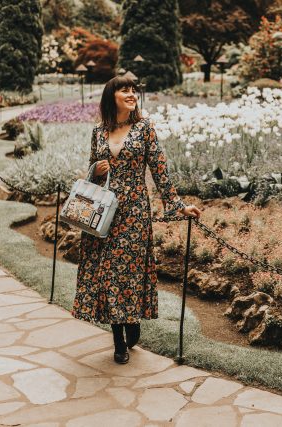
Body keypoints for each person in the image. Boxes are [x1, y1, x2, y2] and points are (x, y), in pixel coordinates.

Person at [71, 75, 201, 364]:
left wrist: (178, 206)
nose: (131, 94)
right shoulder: (98, 131)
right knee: (108, 272)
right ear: (111, 96)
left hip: (133, 213)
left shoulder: (144, 129)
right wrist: (96, 170)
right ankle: (119, 340)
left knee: (126, 271)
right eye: (124, 90)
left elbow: (159, 169)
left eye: (133, 90)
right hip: (102, 212)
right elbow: (91, 172)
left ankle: (132, 322)